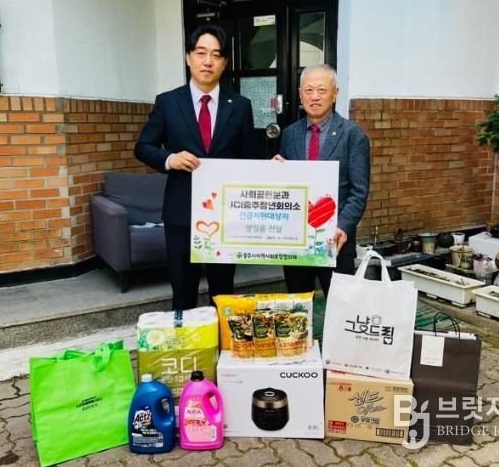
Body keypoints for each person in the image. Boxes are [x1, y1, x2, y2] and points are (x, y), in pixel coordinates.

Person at [135, 24, 254, 311]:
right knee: (183, 291)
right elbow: (143, 146)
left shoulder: (240, 106)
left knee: (223, 292)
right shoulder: (168, 102)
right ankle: (187, 339)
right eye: (201, 53)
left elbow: (250, 159)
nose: (207, 61)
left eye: (216, 55)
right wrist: (169, 159)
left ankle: (221, 339)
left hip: (224, 216)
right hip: (181, 214)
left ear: (224, 62)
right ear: (188, 57)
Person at [274, 64, 370, 298]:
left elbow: (359, 191)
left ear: (335, 93)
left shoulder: (353, 135)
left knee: (340, 307)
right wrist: (275, 172)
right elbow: (286, 187)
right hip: (296, 242)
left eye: (322, 90)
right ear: (300, 95)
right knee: (298, 307)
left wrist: (343, 226)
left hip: (336, 241)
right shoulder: (289, 134)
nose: (314, 97)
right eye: (308, 90)